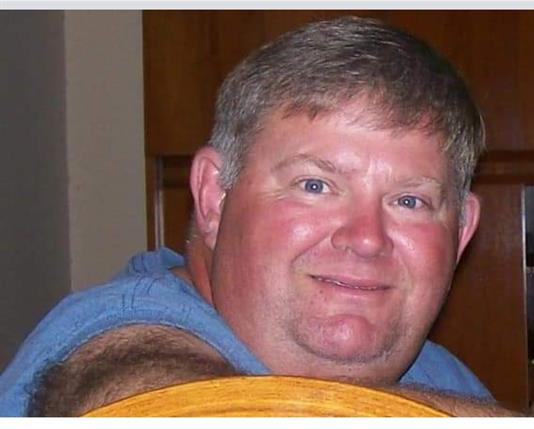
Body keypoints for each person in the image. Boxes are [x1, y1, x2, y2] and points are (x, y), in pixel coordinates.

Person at [0, 16, 497, 416]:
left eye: (410, 202)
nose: (367, 238)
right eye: (315, 185)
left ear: (461, 232)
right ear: (214, 197)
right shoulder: (113, 340)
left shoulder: (445, 378)